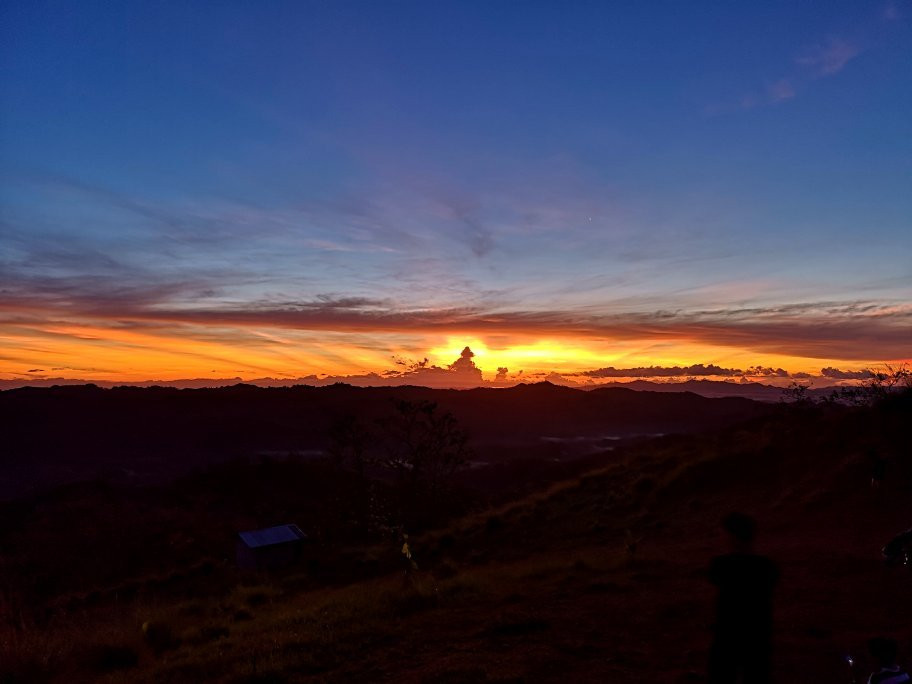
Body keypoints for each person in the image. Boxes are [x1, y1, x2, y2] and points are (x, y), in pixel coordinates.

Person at [707, 512, 779, 684]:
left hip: (727, 635)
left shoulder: (720, 565)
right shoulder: (767, 567)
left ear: (731, 536)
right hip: (757, 636)